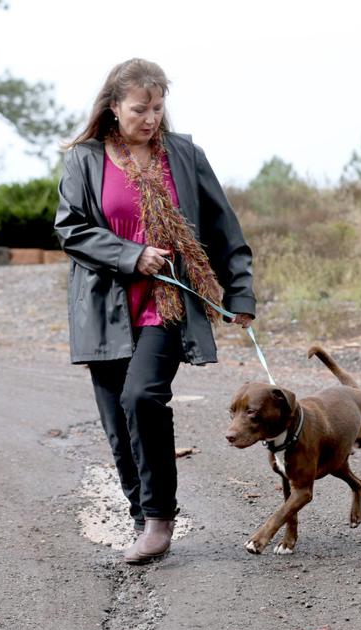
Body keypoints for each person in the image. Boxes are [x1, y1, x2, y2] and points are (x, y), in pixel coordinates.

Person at [55, 58, 255, 563]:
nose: (150, 119)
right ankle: (141, 517)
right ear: (114, 107)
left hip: (168, 301)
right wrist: (131, 255)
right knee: (118, 422)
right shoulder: (84, 160)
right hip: (105, 307)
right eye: (139, 109)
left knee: (143, 397)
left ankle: (161, 519)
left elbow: (223, 228)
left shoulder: (183, 155)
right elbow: (71, 229)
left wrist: (240, 293)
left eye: (158, 108)